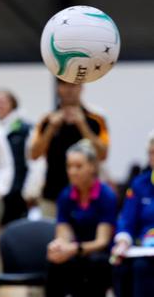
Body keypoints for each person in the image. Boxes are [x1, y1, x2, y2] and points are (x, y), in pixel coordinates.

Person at [45, 139, 116, 297]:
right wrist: (58, 246)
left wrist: (74, 249)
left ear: (92, 167)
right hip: (75, 252)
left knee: (95, 263)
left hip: (99, 253)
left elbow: (102, 241)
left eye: (78, 166)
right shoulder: (65, 195)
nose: (72, 171)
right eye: (69, 166)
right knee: (55, 261)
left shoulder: (106, 195)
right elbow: (63, 233)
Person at [30, 79, 109, 218]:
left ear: (81, 87)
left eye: (73, 85)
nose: (69, 89)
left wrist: (82, 124)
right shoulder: (47, 120)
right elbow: (34, 154)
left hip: (88, 196)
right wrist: (51, 128)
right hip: (52, 195)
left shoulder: (96, 119)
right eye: (64, 84)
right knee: (50, 237)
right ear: (58, 88)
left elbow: (102, 155)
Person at [0, 89, 46, 225]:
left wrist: (31, 190)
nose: (0, 106)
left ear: (13, 104)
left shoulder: (25, 129)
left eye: (3, 102)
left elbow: (36, 161)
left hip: (21, 190)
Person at [111, 134, 154, 296]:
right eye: (150, 153)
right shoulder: (139, 183)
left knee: (141, 267)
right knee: (119, 264)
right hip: (143, 247)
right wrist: (123, 240)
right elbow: (127, 218)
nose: (152, 158)